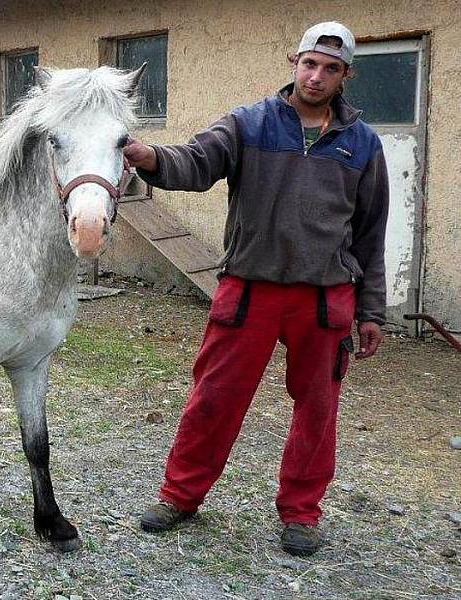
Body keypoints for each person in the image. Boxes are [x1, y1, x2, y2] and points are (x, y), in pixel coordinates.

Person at [123, 21, 389, 557]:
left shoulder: (362, 145)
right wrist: (149, 157)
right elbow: (196, 163)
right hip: (250, 291)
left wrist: (371, 310)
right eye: (309, 63)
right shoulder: (249, 124)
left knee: (317, 409)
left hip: (324, 297)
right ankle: (181, 496)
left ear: (345, 76)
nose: (317, 76)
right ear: (294, 62)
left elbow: (370, 232)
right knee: (214, 399)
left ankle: (300, 513)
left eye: (330, 68)